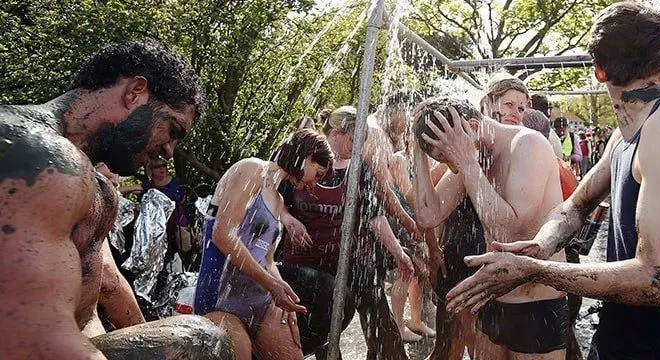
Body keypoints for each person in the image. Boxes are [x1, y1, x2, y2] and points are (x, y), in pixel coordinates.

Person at [446, 2, 660, 359]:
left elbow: (658, 280)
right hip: (620, 343)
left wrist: (536, 270)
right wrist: (541, 246)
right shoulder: (628, 133)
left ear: (598, 70)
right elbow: (575, 207)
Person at [0, 38, 234, 359]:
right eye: (173, 130)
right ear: (134, 92)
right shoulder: (41, 158)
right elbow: (38, 344)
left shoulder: (94, 188)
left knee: (198, 341)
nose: (169, 150)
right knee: (203, 342)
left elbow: (105, 289)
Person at [411, 97, 567, 359]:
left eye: (447, 156)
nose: (450, 165)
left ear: (472, 126)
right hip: (492, 297)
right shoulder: (474, 155)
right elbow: (428, 215)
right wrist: (418, 150)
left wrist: (467, 162)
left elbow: (511, 232)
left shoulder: (527, 145)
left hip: (535, 302)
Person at [278, 106, 412, 360]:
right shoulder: (302, 158)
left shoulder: (360, 170)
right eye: (353, 140)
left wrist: (398, 252)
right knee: (324, 328)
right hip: (309, 261)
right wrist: (288, 220)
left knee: (378, 313)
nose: (356, 147)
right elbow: (276, 199)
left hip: (353, 257)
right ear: (337, 134)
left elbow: (375, 217)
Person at [194, 129, 333, 360]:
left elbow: (267, 260)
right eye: (317, 174)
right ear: (307, 157)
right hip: (221, 300)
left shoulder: (278, 200)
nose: (314, 185)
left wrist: (284, 292)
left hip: (260, 300)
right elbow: (222, 235)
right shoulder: (252, 169)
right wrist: (272, 285)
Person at [379, 91, 438, 343]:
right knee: (406, 272)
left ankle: (414, 320)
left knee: (414, 274)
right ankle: (397, 325)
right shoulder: (399, 159)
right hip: (401, 222)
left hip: (414, 223)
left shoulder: (417, 162)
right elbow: (408, 194)